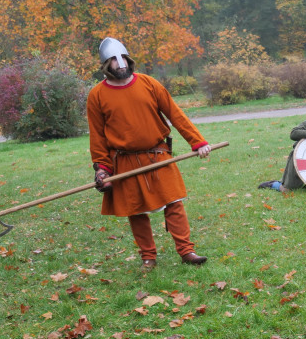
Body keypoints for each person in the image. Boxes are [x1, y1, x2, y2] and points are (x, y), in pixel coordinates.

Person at [87, 38, 212, 269]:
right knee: (136, 210)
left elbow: (175, 114)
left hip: (158, 154)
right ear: (106, 64)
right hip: (124, 161)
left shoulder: (148, 83)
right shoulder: (96, 95)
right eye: (114, 59)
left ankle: (187, 251)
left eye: (123, 57)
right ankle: (148, 257)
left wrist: (197, 142)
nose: (120, 63)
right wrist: (102, 169)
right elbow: (97, 137)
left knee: (174, 202)